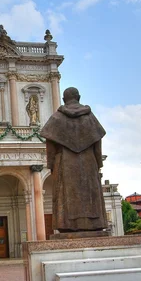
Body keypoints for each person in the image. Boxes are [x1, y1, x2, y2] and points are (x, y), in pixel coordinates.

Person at [40, 87, 107, 232]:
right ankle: (94, 224)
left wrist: (52, 165)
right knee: (90, 193)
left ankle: (67, 225)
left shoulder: (57, 118)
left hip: (64, 161)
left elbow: (50, 146)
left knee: (65, 193)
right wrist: (98, 164)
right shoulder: (90, 118)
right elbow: (97, 143)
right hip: (89, 161)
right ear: (79, 97)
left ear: (64, 100)